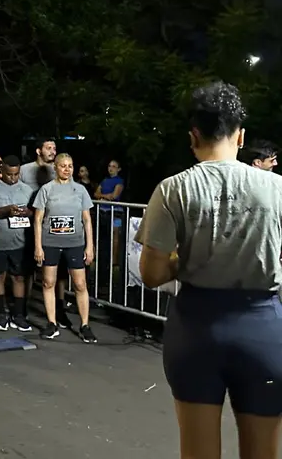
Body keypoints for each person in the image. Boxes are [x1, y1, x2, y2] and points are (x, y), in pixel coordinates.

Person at [136, 82, 282, 459]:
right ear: (241, 135)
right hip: (262, 329)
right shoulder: (276, 188)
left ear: (194, 135)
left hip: (197, 329)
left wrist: (192, 255)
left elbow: (151, 274)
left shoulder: (173, 190)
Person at [33, 153, 96, 343]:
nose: (67, 169)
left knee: (80, 284)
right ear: (56, 167)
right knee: (48, 282)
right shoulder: (46, 189)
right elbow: (37, 220)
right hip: (50, 243)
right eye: (63, 166)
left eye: (70, 166)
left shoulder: (80, 190)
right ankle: (52, 323)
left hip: (74, 243)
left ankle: (85, 325)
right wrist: (38, 246)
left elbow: (87, 220)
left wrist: (90, 246)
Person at [0, 155, 34, 332]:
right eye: (9, 174)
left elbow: (34, 212)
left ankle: (18, 314)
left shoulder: (27, 190)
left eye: (16, 174)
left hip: (20, 242)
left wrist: (28, 212)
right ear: (2, 171)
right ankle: (1, 314)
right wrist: (6, 211)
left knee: (19, 277)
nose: (13, 178)